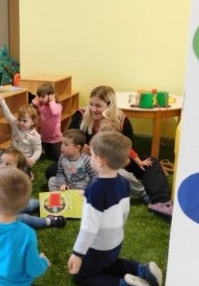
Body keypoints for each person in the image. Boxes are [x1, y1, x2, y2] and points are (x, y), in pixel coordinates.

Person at [49, 85, 172, 217]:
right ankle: (84, 187)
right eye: (91, 104)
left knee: (152, 162)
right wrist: (79, 148)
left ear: (109, 105)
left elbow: (127, 153)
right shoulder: (81, 116)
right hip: (83, 164)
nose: (93, 109)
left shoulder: (122, 121)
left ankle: (160, 201)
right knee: (52, 170)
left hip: (114, 163)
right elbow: (68, 140)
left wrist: (112, 163)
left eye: (98, 106)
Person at [67, 131, 163, 286]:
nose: (89, 157)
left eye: (91, 154)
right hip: (115, 241)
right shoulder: (123, 182)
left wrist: (77, 254)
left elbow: (88, 228)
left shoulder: (96, 189)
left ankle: (124, 285)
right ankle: (141, 269)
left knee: (82, 276)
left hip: (98, 245)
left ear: (99, 160)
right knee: (108, 264)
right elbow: (124, 211)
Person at [0, 163, 66, 229]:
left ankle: (45, 205)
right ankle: (48, 221)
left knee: (28, 205)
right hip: (6, 214)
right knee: (24, 217)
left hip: (8, 208)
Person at [0, 94, 42, 169]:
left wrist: (32, 159)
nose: (21, 123)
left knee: (17, 168)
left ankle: (23, 172)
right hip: (12, 154)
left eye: (25, 121)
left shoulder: (35, 135)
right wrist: (2, 101)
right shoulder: (15, 124)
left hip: (23, 159)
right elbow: (8, 115)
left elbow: (38, 150)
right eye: (19, 119)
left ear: (33, 122)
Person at [32, 83, 62, 161]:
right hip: (44, 136)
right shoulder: (41, 105)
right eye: (39, 96)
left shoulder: (57, 106)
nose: (40, 98)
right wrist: (37, 98)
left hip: (54, 138)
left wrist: (52, 101)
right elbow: (34, 102)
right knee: (47, 155)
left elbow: (55, 112)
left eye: (43, 96)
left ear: (51, 96)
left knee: (55, 157)